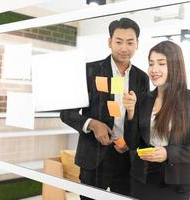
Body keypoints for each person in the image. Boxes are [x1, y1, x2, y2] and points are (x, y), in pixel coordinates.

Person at [60, 18, 149, 199]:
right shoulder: (89, 71)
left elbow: (143, 119)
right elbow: (66, 114)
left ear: (137, 44)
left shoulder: (142, 78)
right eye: (118, 41)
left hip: (127, 159)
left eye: (130, 42)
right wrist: (92, 124)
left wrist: (131, 141)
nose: (124, 48)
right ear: (109, 42)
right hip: (94, 157)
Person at [122, 40, 190, 200]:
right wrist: (130, 112)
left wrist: (168, 153)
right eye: (151, 63)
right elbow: (132, 143)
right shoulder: (143, 99)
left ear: (175, 67)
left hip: (176, 185)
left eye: (161, 64)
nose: (154, 69)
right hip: (142, 180)